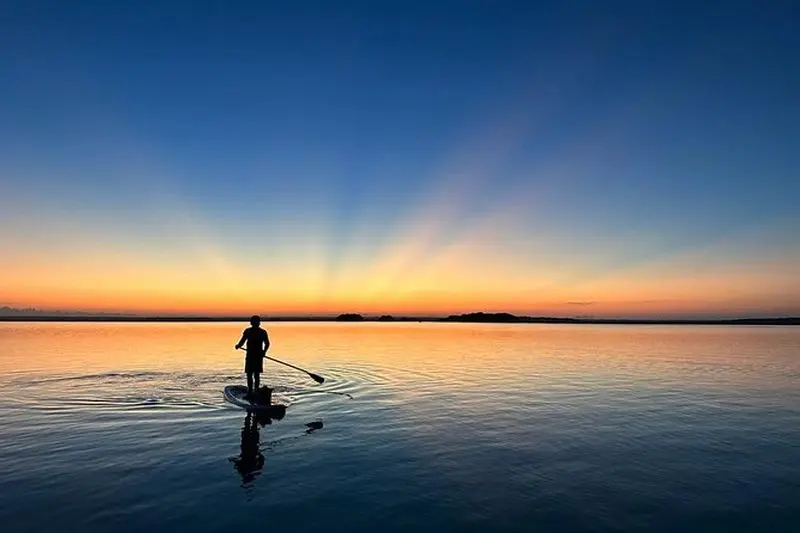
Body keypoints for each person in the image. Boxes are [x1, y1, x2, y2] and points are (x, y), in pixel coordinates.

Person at [235, 315, 270, 397]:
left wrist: (264, 352)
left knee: (255, 374)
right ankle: (251, 390)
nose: (255, 323)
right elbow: (242, 341)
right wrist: (238, 345)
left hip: (257, 356)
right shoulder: (248, 331)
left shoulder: (262, 332)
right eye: (254, 322)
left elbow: (267, 343)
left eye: (256, 322)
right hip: (251, 355)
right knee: (250, 374)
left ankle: (255, 390)